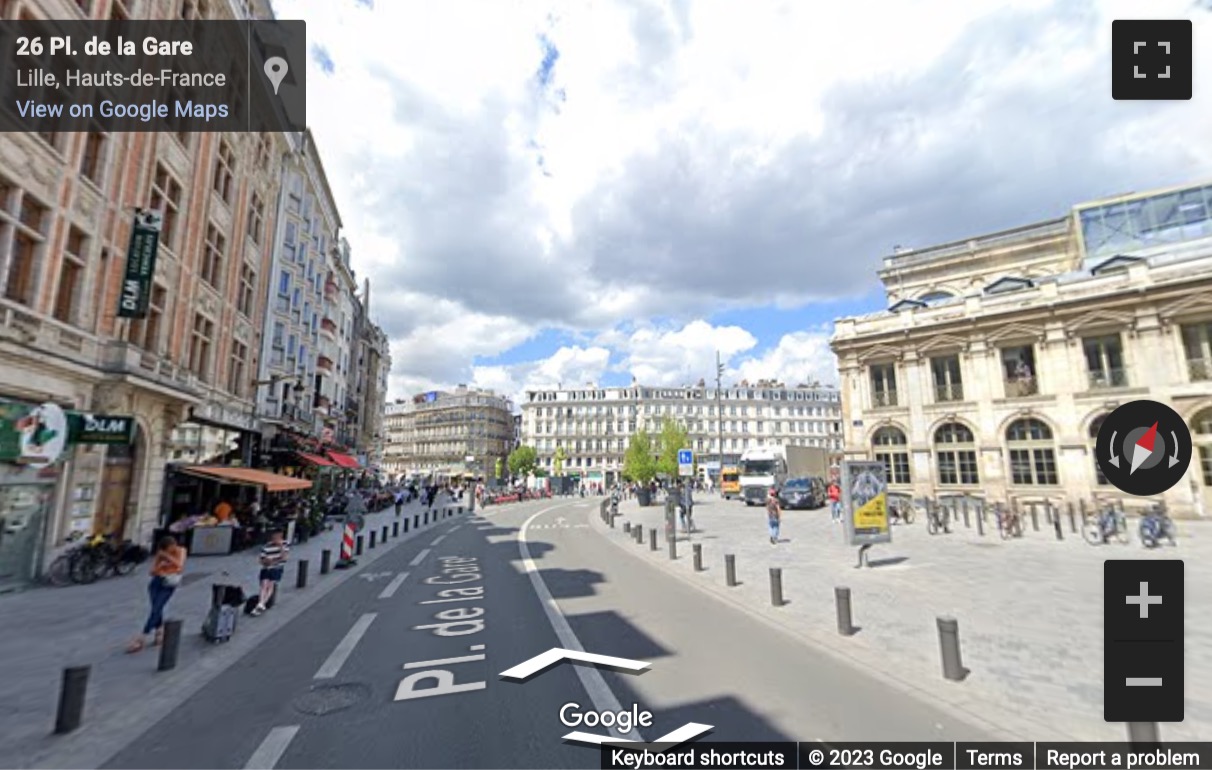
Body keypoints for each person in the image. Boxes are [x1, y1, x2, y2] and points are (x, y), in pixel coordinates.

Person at [127, 535, 187, 653]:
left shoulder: (181, 551)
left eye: (173, 547)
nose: (172, 549)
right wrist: (160, 566)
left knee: (156, 609)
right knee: (156, 609)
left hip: (169, 584)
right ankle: (159, 631)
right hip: (156, 583)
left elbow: (179, 566)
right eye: (169, 548)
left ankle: (142, 637)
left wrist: (167, 557)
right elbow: (152, 572)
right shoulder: (161, 553)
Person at [252, 529, 289, 616]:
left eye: (277, 536)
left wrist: (280, 547)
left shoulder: (284, 544)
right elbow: (261, 560)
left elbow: (285, 558)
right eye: (274, 536)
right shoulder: (266, 546)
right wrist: (267, 561)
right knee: (264, 584)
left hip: (277, 568)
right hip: (266, 568)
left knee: (270, 584)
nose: (275, 538)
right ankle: (261, 603)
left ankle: (261, 604)